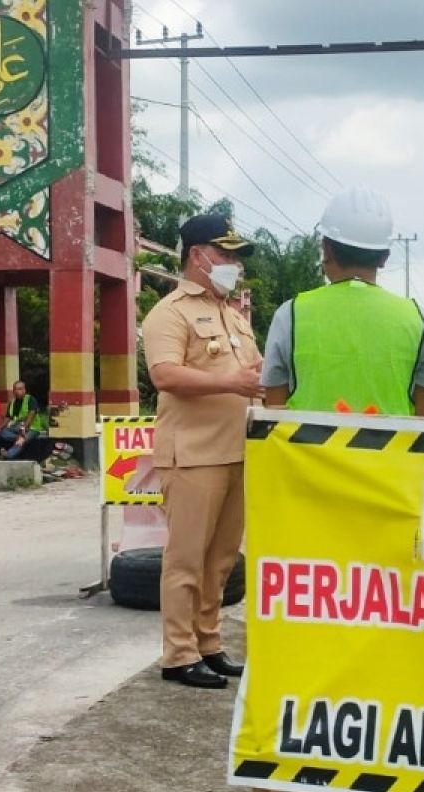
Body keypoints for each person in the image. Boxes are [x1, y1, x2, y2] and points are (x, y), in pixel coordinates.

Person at [141, 214, 261, 690]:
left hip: (236, 452)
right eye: (226, 254)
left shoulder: (233, 315)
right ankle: (179, 653)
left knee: (221, 560)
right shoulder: (170, 312)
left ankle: (208, 643)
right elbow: (165, 375)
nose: (234, 264)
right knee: (186, 560)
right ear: (198, 256)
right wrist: (230, 381)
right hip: (192, 456)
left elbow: (251, 377)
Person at [262, 186, 424, 415]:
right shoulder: (419, 319)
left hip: (306, 451)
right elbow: (423, 420)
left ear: (326, 249)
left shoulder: (291, 314)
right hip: (390, 451)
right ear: (385, 257)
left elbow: (276, 415)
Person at [0, 380, 40, 460]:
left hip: (32, 428)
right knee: (1, 432)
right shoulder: (12, 403)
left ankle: (8, 455)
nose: (17, 391)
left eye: (20, 389)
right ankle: (19, 438)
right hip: (18, 428)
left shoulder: (30, 399)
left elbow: (31, 415)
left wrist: (24, 428)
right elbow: (9, 417)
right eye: (15, 389)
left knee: (21, 442)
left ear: (24, 390)